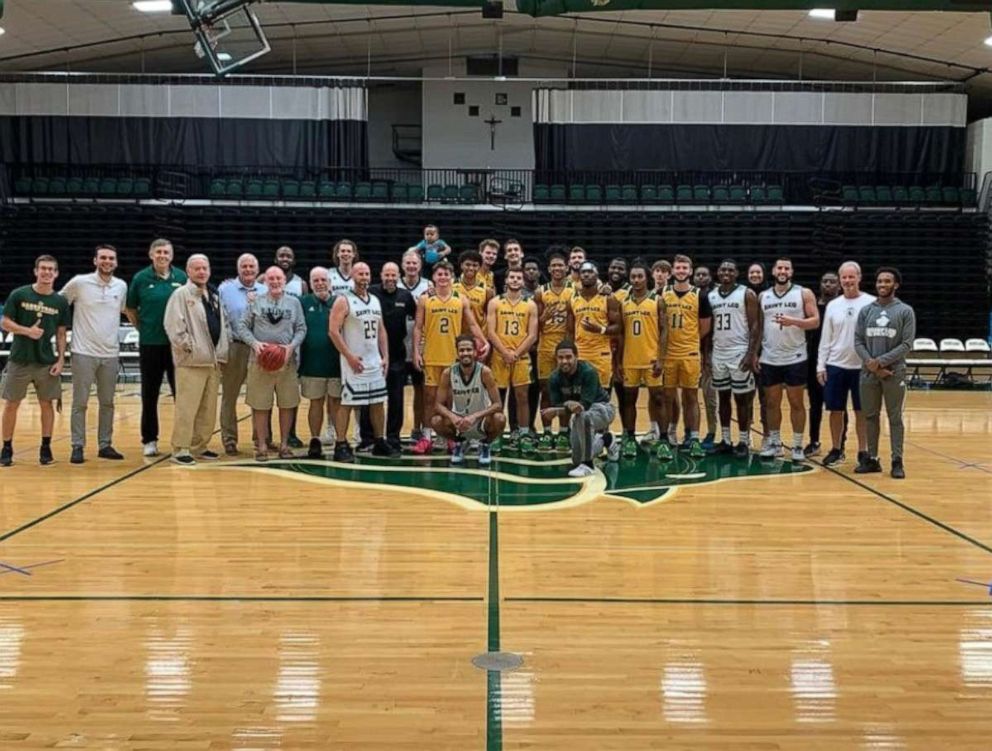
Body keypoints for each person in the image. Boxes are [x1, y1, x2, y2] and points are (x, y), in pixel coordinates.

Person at [60, 244, 128, 464]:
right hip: (83, 352)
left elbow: (125, 311)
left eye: (111, 258)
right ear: (95, 261)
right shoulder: (79, 283)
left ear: (116, 262)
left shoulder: (121, 286)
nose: (107, 261)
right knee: (80, 402)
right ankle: (77, 445)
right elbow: (59, 304)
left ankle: (105, 445)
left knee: (107, 403)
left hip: (110, 354)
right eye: (103, 258)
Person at [412, 260, 488, 454]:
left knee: (453, 399)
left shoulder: (461, 299)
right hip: (432, 355)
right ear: (434, 278)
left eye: (446, 274)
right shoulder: (424, 299)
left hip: (453, 358)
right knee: (429, 398)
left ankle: (450, 435)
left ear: (452, 277)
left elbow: (471, 325)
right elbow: (418, 327)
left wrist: (483, 341)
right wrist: (415, 352)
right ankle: (427, 436)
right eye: (439, 274)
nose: (443, 277)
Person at [0, 255, 69, 467]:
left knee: (46, 404)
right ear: (35, 271)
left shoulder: (60, 301)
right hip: (20, 359)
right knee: (12, 404)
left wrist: (60, 360)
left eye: (51, 269)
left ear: (56, 274)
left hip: (45, 361)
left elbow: (60, 334)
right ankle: (7, 447)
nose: (47, 272)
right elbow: (4, 322)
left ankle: (46, 447)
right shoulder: (19, 294)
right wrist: (26, 331)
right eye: (43, 269)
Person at [233, 266, 307, 462]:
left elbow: (301, 328)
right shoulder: (256, 301)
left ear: (284, 281)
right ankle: (262, 446)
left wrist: (291, 347)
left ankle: (284, 445)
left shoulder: (294, 302)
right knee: (260, 405)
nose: (275, 281)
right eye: (271, 278)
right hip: (260, 362)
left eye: (279, 278)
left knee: (287, 404)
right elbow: (241, 326)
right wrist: (255, 344)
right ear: (265, 281)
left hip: (286, 362)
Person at [163, 254, 229, 465]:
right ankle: (181, 448)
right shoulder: (181, 295)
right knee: (187, 407)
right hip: (191, 362)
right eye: (197, 268)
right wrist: (189, 348)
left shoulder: (213, 293)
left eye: (204, 268)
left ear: (209, 270)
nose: (201, 272)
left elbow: (221, 324)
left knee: (207, 409)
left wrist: (222, 352)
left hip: (212, 361)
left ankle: (199, 446)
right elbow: (174, 327)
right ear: (188, 271)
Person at [328, 261, 396, 463]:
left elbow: (381, 329)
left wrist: (386, 356)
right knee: (347, 403)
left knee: (377, 402)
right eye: (360, 274)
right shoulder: (343, 300)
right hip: (353, 361)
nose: (364, 277)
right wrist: (348, 356)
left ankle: (379, 441)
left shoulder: (374, 299)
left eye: (367, 274)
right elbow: (333, 331)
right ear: (352, 277)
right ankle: (340, 444)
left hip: (374, 360)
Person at [125, 238, 187, 458]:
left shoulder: (181, 277)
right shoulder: (141, 278)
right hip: (151, 344)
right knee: (149, 395)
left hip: (177, 346)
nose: (162, 255)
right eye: (158, 252)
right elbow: (130, 309)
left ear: (171, 255)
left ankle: (182, 440)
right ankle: (149, 439)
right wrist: (143, 328)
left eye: (166, 252)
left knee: (181, 394)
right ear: (151, 255)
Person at [854, 267, 915, 479]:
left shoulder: (905, 311)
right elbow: (858, 341)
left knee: (894, 417)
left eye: (887, 281)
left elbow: (907, 344)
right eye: (879, 281)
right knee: (870, 416)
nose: (882, 285)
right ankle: (872, 459)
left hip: (893, 372)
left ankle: (897, 461)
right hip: (869, 373)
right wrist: (872, 365)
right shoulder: (866, 311)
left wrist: (879, 363)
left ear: (895, 285)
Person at [758, 257, 820, 461]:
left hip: (795, 357)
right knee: (772, 403)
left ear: (791, 272)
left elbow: (815, 321)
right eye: (779, 268)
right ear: (774, 272)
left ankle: (797, 445)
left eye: (786, 268)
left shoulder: (803, 293)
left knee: (796, 403)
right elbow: (758, 328)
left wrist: (793, 321)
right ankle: (775, 443)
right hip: (769, 357)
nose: (783, 271)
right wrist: (755, 354)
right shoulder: (763, 296)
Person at [817, 262, 873, 467]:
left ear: (859, 277)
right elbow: (826, 338)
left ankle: (863, 451)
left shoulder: (871, 303)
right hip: (836, 365)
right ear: (840, 280)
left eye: (852, 277)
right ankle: (836, 448)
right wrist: (820, 366)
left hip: (862, 367)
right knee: (835, 410)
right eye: (844, 277)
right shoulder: (833, 305)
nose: (848, 281)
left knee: (862, 411)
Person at [660, 254, 712, 458]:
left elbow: (705, 327)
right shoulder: (663, 293)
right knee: (667, 397)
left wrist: (689, 341)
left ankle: (694, 438)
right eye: (678, 268)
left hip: (690, 353)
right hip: (668, 354)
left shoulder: (700, 295)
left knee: (691, 397)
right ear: (672, 271)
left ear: (690, 272)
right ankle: (667, 436)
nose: (681, 271)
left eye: (684, 268)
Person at [542, 340, 619, 478]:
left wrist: (559, 410)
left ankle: (588, 465)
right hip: (578, 415)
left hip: (602, 409)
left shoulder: (588, 372)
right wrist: (563, 407)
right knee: (577, 459)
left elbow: (584, 406)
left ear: (576, 357)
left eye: (568, 357)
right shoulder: (554, 378)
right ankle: (606, 440)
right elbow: (558, 404)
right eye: (560, 358)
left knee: (583, 416)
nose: (564, 361)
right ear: (556, 359)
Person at [707, 260, 760, 458]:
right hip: (719, 352)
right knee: (723, 398)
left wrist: (751, 353)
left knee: (742, 399)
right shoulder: (712, 295)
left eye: (730, 269)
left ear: (737, 273)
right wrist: (708, 354)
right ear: (718, 273)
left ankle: (744, 441)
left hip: (739, 352)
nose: (726, 272)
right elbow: (709, 328)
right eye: (723, 269)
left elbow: (755, 326)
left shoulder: (746, 294)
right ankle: (726, 440)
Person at [617, 261, 669, 460]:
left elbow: (664, 331)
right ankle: (629, 438)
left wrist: (661, 359)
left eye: (640, 276)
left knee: (658, 399)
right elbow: (621, 334)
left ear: (647, 278)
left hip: (651, 359)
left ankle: (663, 440)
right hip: (630, 359)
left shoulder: (657, 300)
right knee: (629, 400)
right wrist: (619, 362)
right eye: (633, 277)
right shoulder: (624, 302)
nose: (636, 280)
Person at [363, 262, 417, 453]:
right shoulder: (371, 293)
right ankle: (368, 438)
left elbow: (419, 319)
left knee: (396, 399)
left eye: (393, 275)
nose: (390, 278)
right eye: (387, 275)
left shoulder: (405, 296)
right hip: (371, 355)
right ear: (381, 275)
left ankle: (393, 438)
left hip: (396, 356)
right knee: (370, 398)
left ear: (398, 276)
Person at [218, 253, 266, 455]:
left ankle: (261, 438)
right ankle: (229, 439)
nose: (248, 269)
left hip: (259, 348)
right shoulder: (224, 290)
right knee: (230, 396)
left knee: (260, 396)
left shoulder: (265, 290)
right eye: (244, 266)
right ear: (238, 269)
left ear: (257, 269)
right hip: (235, 347)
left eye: (251, 266)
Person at [486, 268, 539, 452]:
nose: (515, 280)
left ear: (523, 282)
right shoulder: (495, 302)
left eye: (519, 277)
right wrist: (505, 352)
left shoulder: (530, 304)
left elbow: (532, 335)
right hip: (499, 356)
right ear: (506, 280)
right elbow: (491, 332)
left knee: (522, 397)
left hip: (521, 357)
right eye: (512, 277)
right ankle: (497, 435)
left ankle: (523, 434)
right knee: (497, 398)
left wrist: (515, 354)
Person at [431, 335, 505, 465]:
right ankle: (459, 443)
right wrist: (453, 417)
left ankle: (485, 445)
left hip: (481, 420)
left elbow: (498, 404)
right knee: (436, 421)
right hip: (459, 421)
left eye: (469, 350)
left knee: (500, 419)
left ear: (475, 352)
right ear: (457, 352)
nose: (465, 353)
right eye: (462, 350)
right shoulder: (448, 373)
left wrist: (474, 416)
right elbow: (438, 405)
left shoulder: (484, 372)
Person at [534, 251, 575, 451]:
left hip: (566, 344)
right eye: (554, 266)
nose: (557, 269)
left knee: (567, 391)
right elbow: (533, 327)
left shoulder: (574, 290)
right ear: (549, 269)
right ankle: (548, 431)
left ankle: (565, 432)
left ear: (567, 267)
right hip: (546, 345)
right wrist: (543, 318)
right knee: (546, 391)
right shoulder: (541, 292)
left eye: (561, 265)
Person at [298, 267, 340, 459]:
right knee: (315, 403)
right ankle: (315, 440)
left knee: (336, 403)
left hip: (337, 363)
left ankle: (340, 440)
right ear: (310, 283)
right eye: (316, 281)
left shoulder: (340, 302)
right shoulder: (303, 302)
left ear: (330, 282)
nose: (320, 283)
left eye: (323, 280)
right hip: (312, 363)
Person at [566, 261, 621, 390]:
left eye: (590, 272)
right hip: (580, 353)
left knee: (601, 398)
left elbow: (618, 328)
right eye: (583, 272)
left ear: (597, 275)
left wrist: (600, 329)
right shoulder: (572, 300)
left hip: (601, 354)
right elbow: (569, 332)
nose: (586, 275)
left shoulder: (608, 298)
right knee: (579, 397)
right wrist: (569, 354)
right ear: (579, 276)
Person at [806, 271, 841, 457]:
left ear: (839, 286)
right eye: (825, 281)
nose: (828, 285)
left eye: (832, 282)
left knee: (838, 406)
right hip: (813, 360)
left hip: (836, 361)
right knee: (815, 404)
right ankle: (814, 441)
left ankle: (839, 445)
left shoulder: (842, 306)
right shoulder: (813, 308)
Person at [400, 249, 431, 443]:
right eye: (408, 263)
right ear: (403, 265)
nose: (411, 266)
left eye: (415, 263)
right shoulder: (394, 283)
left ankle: (417, 428)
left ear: (420, 266)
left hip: (421, 346)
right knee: (395, 391)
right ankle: (392, 430)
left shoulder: (429, 286)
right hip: (398, 345)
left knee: (421, 390)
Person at [693, 264, 718, 451]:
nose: (701, 277)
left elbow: (708, 329)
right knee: (689, 395)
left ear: (710, 277)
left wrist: (706, 353)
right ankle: (689, 433)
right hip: (689, 351)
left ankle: (712, 431)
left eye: (704, 274)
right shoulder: (690, 294)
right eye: (698, 275)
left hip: (710, 350)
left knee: (710, 395)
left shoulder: (715, 296)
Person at [453, 250, 493, 332]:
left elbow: (489, 316)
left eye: (475, 265)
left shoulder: (487, 291)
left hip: (477, 336)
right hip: (455, 334)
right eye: (467, 264)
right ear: (461, 265)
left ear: (479, 267)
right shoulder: (451, 286)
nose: (471, 268)